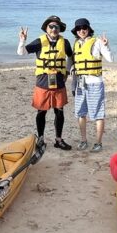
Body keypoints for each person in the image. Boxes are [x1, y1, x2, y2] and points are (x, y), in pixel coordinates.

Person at [17, 15, 74, 150]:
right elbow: (21, 53)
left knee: (59, 111)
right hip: (43, 81)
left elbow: (71, 57)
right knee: (41, 111)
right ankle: (41, 138)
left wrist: (66, 71)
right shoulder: (39, 42)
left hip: (59, 81)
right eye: (51, 26)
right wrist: (22, 41)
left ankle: (58, 140)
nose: (54, 29)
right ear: (46, 28)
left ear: (60, 29)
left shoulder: (65, 43)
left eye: (57, 27)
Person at [71, 17, 112, 152]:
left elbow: (110, 59)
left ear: (89, 29)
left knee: (98, 113)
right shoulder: (76, 44)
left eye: (84, 28)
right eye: (79, 29)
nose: (82, 31)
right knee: (80, 113)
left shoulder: (98, 42)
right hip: (80, 83)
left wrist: (106, 46)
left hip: (95, 82)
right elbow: (72, 64)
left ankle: (98, 143)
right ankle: (83, 140)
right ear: (76, 31)